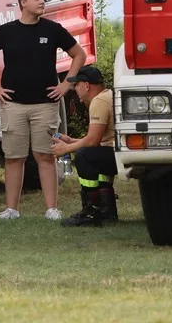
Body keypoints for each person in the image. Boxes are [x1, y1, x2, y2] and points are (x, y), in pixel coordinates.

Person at [0, 0, 87, 221]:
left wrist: (67, 84)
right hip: (13, 105)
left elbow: (79, 54)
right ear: (23, 2)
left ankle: (51, 209)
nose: (42, 1)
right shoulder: (6, 31)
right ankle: (11, 209)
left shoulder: (53, 29)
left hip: (45, 104)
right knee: (14, 157)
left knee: (45, 155)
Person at [51, 65, 118, 227]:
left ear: (87, 85)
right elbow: (96, 140)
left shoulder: (99, 101)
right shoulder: (107, 95)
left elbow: (92, 141)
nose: (75, 90)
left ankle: (90, 211)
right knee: (91, 154)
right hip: (117, 152)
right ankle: (106, 210)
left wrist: (65, 149)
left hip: (117, 155)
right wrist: (71, 140)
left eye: (77, 85)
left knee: (84, 156)